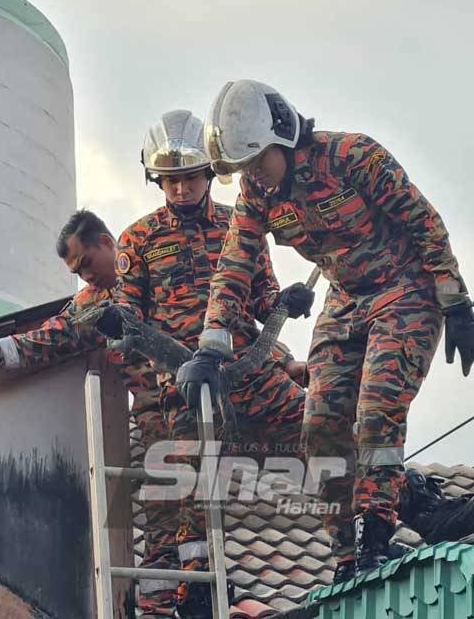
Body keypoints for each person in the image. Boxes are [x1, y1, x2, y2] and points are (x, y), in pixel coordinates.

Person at [189, 78, 474, 577]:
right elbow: (235, 263)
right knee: (319, 426)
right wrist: (211, 346)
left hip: (404, 290)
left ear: (284, 138)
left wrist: (456, 303)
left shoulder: (354, 157)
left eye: (257, 163)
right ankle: (345, 556)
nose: (255, 177)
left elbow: (425, 223)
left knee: (377, 411)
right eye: (242, 170)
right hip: (345, 302)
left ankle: (376, 535)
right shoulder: (258, 193)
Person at [104, 109, 308, 617]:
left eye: (189, 178)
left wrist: (289, 302)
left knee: (318, 425)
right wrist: (116, 322)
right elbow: (129, 310)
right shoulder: (139, 239)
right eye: (170, 181)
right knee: (193, 474)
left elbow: (263, 298)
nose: (179, 190)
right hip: (183, 378)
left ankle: (372, 522)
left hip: (246, 366)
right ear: (157, 181)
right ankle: (196, 586)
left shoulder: (242, 229)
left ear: (209, 174)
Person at [0, 209, 180, 617]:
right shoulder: (92, 304)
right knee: (162, 518)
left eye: (86, 263)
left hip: (200, 404)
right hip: (157, 424)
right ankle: (166, 606)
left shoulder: (160, 268)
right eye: (76, 271)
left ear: (107, 242)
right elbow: (49, 338)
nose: (85, 276)